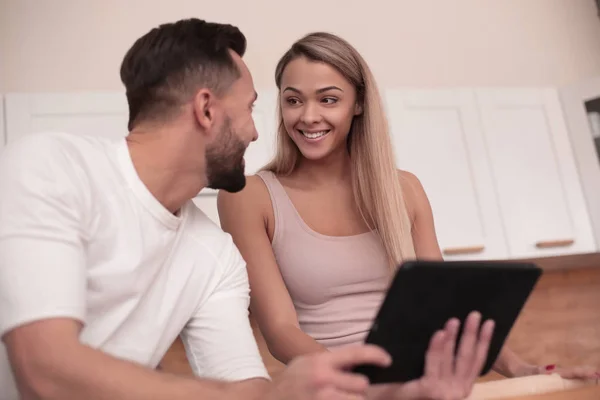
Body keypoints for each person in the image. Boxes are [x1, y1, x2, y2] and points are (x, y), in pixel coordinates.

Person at [0, 18, 496, 400]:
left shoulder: (213, 255)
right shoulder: (49, 167)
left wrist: (387, 390)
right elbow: (44, 370)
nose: (259, 131)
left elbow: (249, 389)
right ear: (207, 109)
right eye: (254, 107)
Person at [217, 31, 600, 384]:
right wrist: (363, 386)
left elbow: (447, 310)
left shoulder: (404, 190)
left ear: (359, 104)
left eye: (328, 99)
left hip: (419, 386)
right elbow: (280, 332)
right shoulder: (250, 197)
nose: (308, 116)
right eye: (293, 100)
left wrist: (522, 370)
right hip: (337, 388)